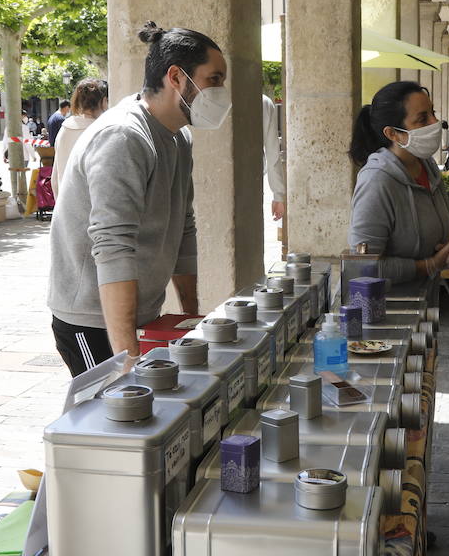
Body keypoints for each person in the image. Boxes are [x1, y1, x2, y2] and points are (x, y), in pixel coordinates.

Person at [47, 22, 230, 377]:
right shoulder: (123, 137)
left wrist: (189, 318)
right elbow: (112, 244)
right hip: (93, 320)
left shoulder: (179, 137)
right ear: (176, 76)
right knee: (112, 418)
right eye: (214, 79)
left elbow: (184, 226)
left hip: (141, 312)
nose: (221, 92)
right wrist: (128, 359)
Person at [348, 81, 449, 284]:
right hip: (386, 308)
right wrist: (428, 266)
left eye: (432, 112)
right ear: (392, 133)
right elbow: (362, 265)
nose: (435, 122)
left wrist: (447, 251)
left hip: (422, 303)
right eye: (422, 118)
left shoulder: (427, 166)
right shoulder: (377, 182)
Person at [51, 80, 107, 194]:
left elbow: (55, 176)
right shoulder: (103, 132)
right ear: (104, 101)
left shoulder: (64, 129)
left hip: (65, 205)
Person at [262, 94, 286, 221]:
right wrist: (278, 196)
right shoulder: (264, 102)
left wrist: (278, 196)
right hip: (253, 178)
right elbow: (273, 153)